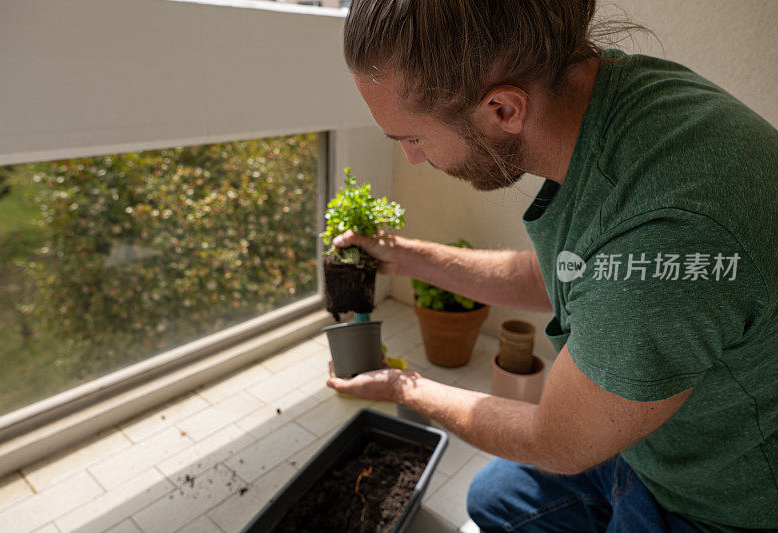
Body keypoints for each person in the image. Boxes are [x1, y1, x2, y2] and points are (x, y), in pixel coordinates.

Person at [324, 1, 778, 531]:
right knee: (494, 498)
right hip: (647, 435)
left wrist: (405, 387)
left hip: (718, 499)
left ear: (503, 110)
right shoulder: (609, 95)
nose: (413, 159)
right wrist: (405, 256)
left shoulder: (664, 237)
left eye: (412, 137)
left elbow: (557, 443)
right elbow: (567, 277)